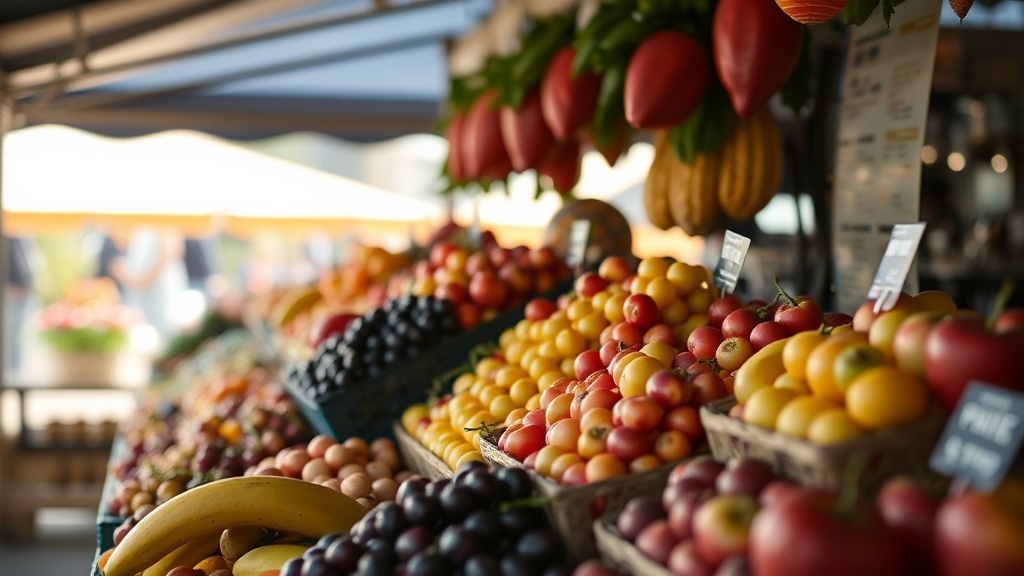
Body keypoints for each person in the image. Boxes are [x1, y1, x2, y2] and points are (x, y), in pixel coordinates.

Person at [108, 228, 188, 344]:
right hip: (141, 300)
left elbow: (170, 252)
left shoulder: (164, 225)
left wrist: (136, 281)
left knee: (163, 342)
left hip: (160, 300)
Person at [4, 236, 37, 373]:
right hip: (12, 291)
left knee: (20, 335)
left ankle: (15, 370)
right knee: (11, 335)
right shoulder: (9, 236)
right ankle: (12, 370)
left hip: (25, 290)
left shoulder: (23, 237)